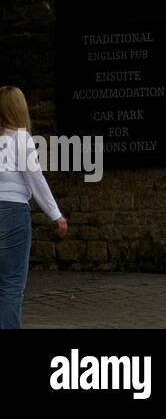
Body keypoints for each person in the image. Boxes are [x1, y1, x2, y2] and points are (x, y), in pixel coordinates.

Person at [0, 86, 68, 329]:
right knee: (11, 284)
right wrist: (55, 214)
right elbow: (35, 179)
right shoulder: (22, 139)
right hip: (14, 213)